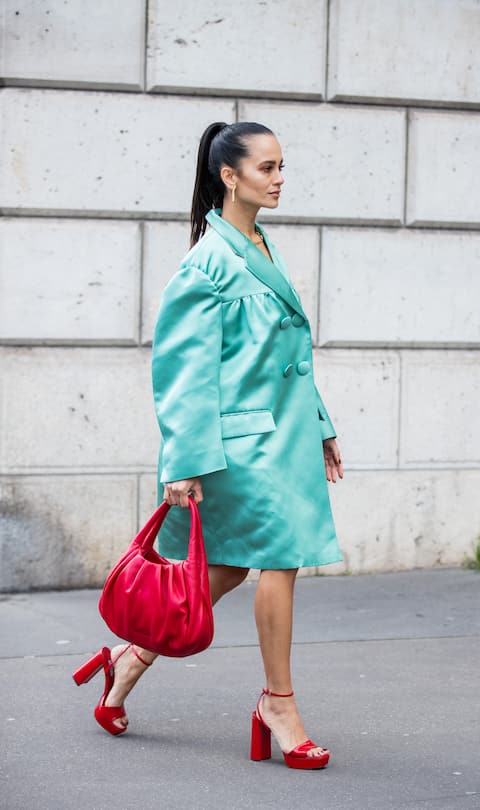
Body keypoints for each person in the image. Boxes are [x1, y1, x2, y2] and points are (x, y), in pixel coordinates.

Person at [73, 121, 344, 770]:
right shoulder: (209, 263)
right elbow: (183, 374)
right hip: (242, 448)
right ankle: (278, 703)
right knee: (279, 559)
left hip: (284, 439)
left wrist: (322, 422)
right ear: (230, 176)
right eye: (267, 167)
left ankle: (126, 662)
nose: (280, 178)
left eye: (283, 167)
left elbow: (287, 356)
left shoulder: (259, 245)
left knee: (219, 572)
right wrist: (183, 465)